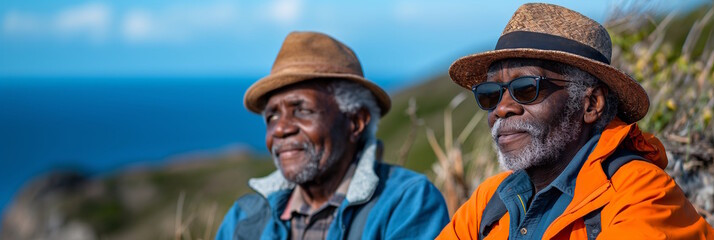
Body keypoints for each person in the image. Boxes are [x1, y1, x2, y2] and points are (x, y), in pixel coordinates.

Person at [437, 3, 714, 239]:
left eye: (526, 89)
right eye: (490, 95)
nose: (502, 108)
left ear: (591, 104)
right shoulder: (490, 199)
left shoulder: (641, 194)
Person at [216, 31, 449, 240]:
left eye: (302, 110)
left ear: (355, 122)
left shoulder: (406, 203)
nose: (280, 129)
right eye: (272, 117)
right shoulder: (245, 218)